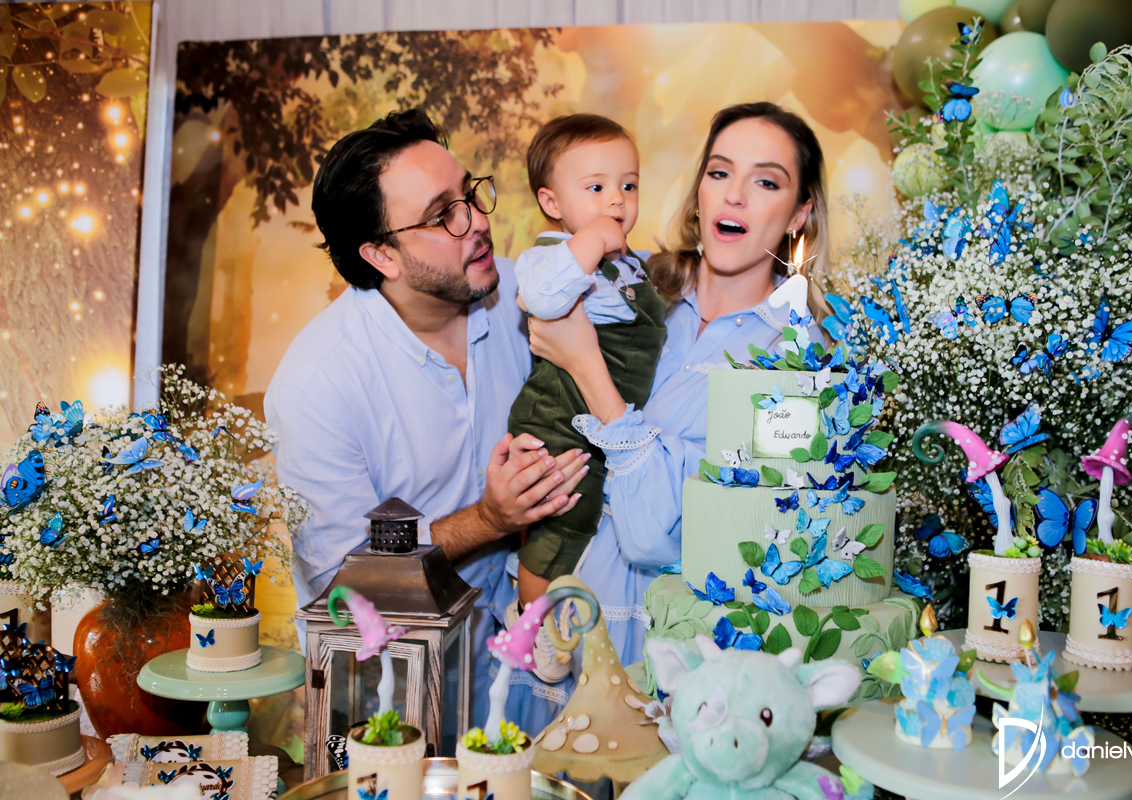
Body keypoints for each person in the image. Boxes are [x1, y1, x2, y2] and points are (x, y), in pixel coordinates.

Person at [264, 109, 589, 729]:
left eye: (471, 193)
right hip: (390, 698)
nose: (478, 221)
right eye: (444, 215)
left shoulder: (525, 296)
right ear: (381, 254)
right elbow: (343, 584)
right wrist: (488, 519)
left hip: (528, 673)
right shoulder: (317, 384)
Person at [523, 102, 831, 667]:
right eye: (720, 172)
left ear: (798, 214)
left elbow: (661, 534)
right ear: (699, 193)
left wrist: (585, 363)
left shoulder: (800, 360)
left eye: (765, 182)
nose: (734, 195)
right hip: (558, 608)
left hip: (667, 638)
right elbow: (535, 296)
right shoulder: (631, 283)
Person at [508, 114, 668, 683]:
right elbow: (542, 298)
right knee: (561, 522)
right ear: (551, 202)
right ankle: (529, 621)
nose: (616, 200)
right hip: (558, 415)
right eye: (596, 187)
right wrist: (593, 240)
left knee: (590, 520)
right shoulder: (550, 256)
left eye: (628, 185)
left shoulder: (630, 265)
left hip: (606, 420)